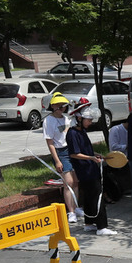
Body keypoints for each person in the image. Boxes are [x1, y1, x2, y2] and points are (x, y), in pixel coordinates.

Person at [65, 104, 116, 235]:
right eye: (89, 120)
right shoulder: (72, 133)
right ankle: (101, 227)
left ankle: (88, 224)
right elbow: (74, 153)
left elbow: (85, 150)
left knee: (88, 197)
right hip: (85, 170)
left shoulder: (81, 131)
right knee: (97, 195)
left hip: (89, 168)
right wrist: (91, 158)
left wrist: (96, 154)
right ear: (79, 118)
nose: (91, 122)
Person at [43, 92, 80, 223]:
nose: (61, 108)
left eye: (63, 105)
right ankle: (71, 212)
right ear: (52, 106)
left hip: (71, 150)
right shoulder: (48, 120)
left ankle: (75, 207)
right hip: (60, 152)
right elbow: (50, 142)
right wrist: (57, 160)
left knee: (75, 181)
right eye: (58, 105)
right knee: (68, 182)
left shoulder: (66, 119)